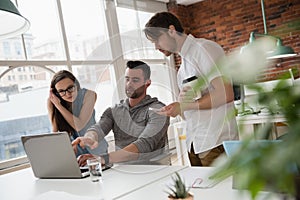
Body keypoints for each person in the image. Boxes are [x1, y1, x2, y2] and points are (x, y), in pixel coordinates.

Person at [144, 12, 239, 166]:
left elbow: (225, 93)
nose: (156, 47)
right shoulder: (183, 67)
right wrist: (175, 110)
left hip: (216, 143)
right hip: (195, 144)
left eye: (157, 40)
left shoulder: (204, 49)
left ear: (171, 30)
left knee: (222, 190)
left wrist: (184, 106)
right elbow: (191, 112)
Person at [72, 60, 170, 166]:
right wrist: (90, 137)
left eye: (135, 80)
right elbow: (98, 129)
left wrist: (104, 158)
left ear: (147, 83)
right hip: (123, 170)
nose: (129, 84)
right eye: (127, 79)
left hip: (153, 169)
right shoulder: (114, 111)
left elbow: (144, 145)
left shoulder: (158, 110)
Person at [47, 70, 108, 157]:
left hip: (96, 150)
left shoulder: (89, 95)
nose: (67, 94)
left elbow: (79, 125)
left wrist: (58, 105)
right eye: (61, 91)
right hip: (73, 153)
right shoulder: (52, 101)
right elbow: (55, 132)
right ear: (56, 92)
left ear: (77, 85)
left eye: (70, 88)